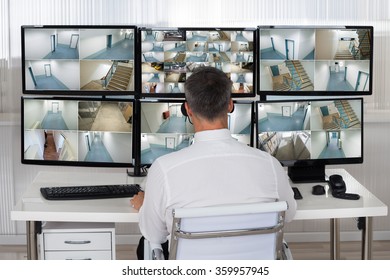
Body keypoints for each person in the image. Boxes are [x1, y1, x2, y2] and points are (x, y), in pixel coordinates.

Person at [131, 66, 297, 259]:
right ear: (230, 105)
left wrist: (145, 205)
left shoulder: (163, 169)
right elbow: (289, 213)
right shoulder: (270, 164)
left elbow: (153, 234)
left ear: (187, 109)